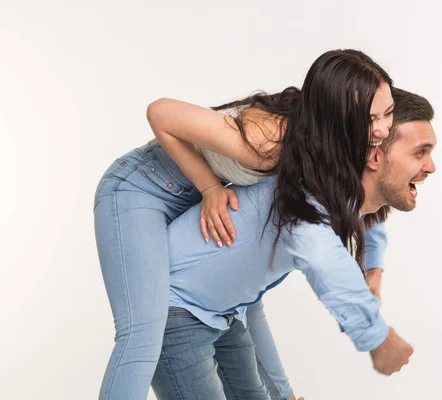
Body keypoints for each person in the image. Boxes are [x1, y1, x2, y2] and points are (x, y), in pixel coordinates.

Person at [94, 49, 394, 400]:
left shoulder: (330, 148)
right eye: (371, 119)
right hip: (141, 187)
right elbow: (160, 112)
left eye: (388, 113)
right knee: (142, 333)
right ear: (336, 114)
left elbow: (364, 200)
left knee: (238, 295)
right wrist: (208, 187)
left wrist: (374, 271)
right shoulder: (270, 142)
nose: (384, 129)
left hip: (192, 197)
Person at [149, 87, 437, 399]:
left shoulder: (342, 191)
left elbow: (372, 224)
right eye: (419, 152)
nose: (431, 166)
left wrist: (373, 271)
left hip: (223, 312)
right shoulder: (311, 203)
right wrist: (379, 338)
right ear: (375, 155)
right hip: (175, 309)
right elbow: (328, 268)